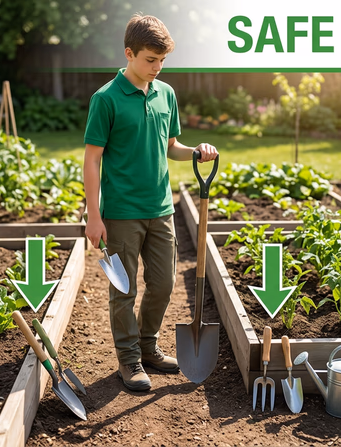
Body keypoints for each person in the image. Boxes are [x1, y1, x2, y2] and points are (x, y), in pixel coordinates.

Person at [83, 14, 219, 391]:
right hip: (122, 214)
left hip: (161, 209)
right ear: (129, 53)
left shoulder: (166, 94)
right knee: (123, 291)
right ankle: (129, 360)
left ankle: (148, 347)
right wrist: (94, 216)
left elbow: (171, 146)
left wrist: (197, 151)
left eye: (162, 61)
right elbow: (92, 159)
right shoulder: (106, 99)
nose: (157, 68)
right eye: (149, 60)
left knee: (162, 284)